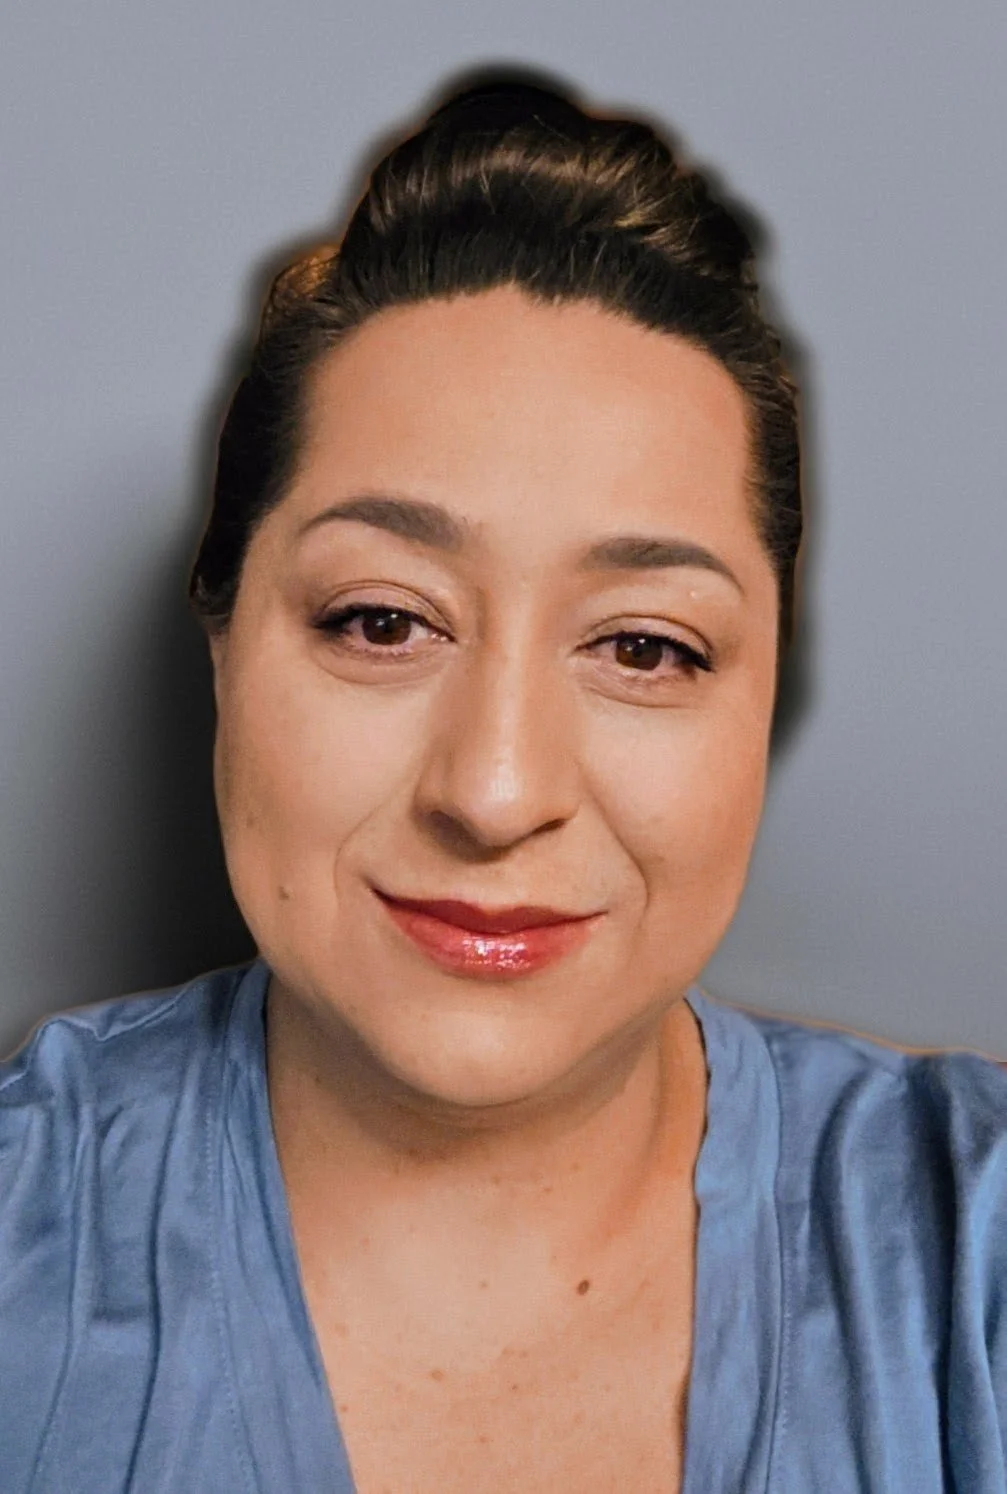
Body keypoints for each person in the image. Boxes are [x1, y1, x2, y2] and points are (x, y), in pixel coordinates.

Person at [1, 72, 1004, 1494]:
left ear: (766, 691)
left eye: (645, 646)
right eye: (381, 620)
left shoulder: (973, 1259)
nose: (494, 786)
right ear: (222, 643)